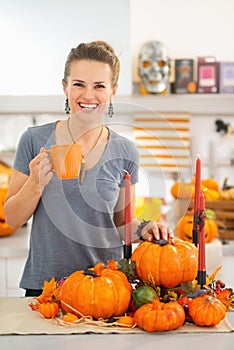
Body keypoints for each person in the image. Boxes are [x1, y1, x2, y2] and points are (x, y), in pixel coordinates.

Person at [4, 40, 174, 297]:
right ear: (65, 87)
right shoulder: (35, 140)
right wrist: (35, 184)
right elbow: (13, 219)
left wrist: (145, 228)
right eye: (79, 85)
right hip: (46, 288)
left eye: (99, 86)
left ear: (113, 91)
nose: (88, 96)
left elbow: (122, 223)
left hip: (107, 288)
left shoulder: (125, 150)